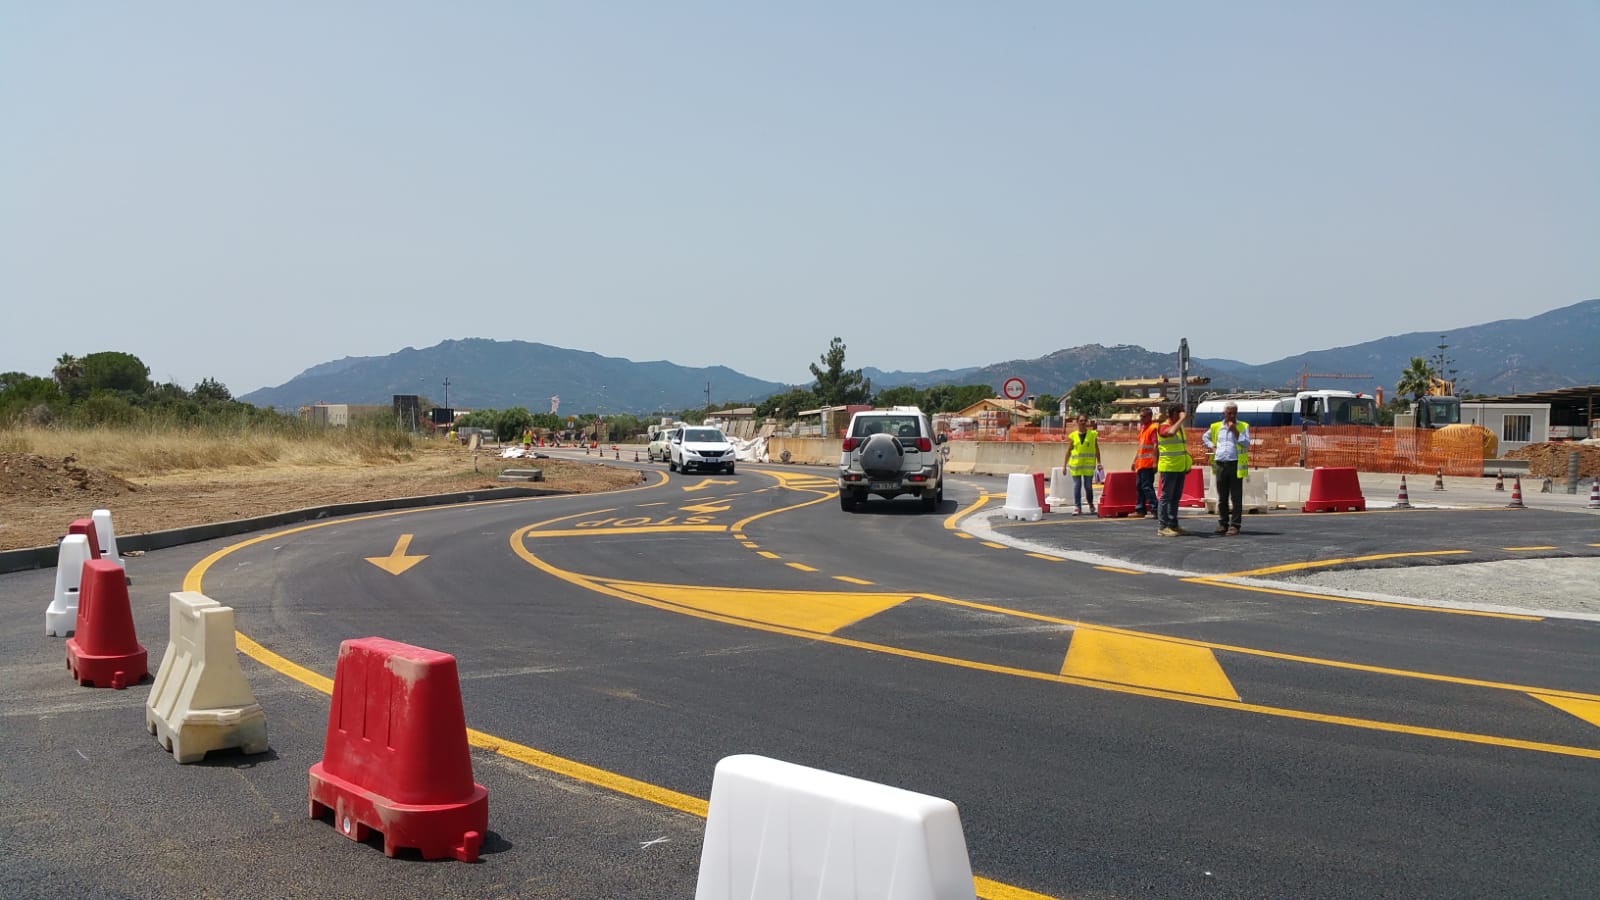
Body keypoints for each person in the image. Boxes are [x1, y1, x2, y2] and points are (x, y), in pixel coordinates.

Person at [1203, 402, 1251, 535]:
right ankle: (1223, 523)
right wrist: (1212, 446)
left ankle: (1235, 525)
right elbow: (1205, 437)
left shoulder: (1243, 426)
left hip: (1235, 464)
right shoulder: (1216, 426)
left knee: (1236, 497)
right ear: (1224, 413)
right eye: (1229, 413)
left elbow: (1246, 443)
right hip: (1220, 463)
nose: (1232, 416)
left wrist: (1235, 430)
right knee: (1222, 497)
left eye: (1234, 413)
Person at [1155, 402, 1191, 536]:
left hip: (1179, 468)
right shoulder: (1164, 426)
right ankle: (1163, 527)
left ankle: (1173, 524)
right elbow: (1169, 432)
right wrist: (1181, 419)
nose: (1184, 414)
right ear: (1175, 413)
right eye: (1181, 412)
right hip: (1169, 467)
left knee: (1175, 498)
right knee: (1166, 497)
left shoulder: (1179, 428)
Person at [1065, 415, 1100, 515]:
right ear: (1077, 422)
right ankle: (1077, 507)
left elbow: (1097, 449)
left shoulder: (1092, 434)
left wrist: (1099, 462)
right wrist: (1064, 465)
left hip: (1088, 466)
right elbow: (1069, 451)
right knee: (1077, 485)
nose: (1083, 422)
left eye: (1085, 420)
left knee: (1088, 486)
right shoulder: (1073, 436)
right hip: (1076, 465)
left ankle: (1090, 504)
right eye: (1081, 420)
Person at [1130, 407, 1159, 518]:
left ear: (1150, 417)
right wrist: (1135, 461)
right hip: (1141, 464)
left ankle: (1156, 509)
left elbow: (1155, 446)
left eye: (1143, 416)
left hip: (1148, 463)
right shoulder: (1143, 429)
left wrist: (1155, 462)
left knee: (1147, 487)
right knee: (1139, 487)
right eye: (1140, 416)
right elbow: (1141, 448)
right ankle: (1140, 509)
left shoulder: (1152, 428)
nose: (1141, 418)